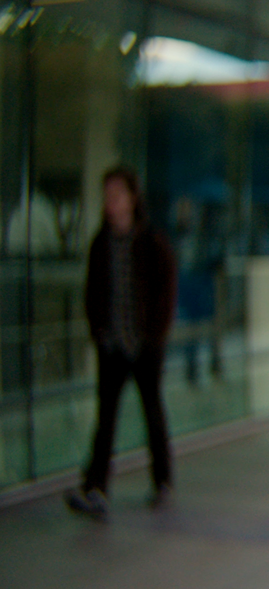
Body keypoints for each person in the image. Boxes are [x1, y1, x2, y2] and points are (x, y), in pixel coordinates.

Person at [64, 166, 178, 519]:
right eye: (106, 196)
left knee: (152, 411)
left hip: (144, 344)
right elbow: (92, 292)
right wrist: (99, 331)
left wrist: (155, 332)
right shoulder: (101, 243)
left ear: (131, 199)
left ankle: (162, 480)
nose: (110, 203)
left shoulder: (150, 241)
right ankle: (95, 487)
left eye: (116, 195)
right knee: (106, 418)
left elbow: (166, 287)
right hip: (112, 344)